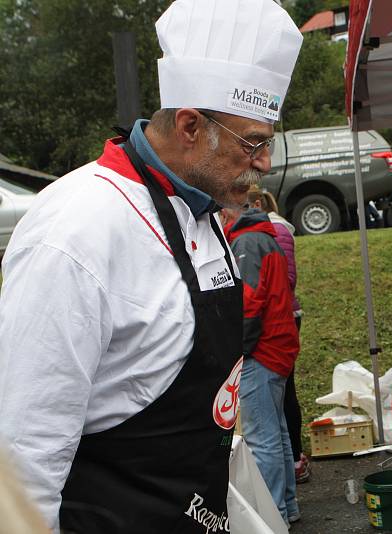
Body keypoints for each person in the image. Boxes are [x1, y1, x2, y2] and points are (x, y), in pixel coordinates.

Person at [0, 0, 303, 531]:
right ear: (189, 127)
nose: (264, 163)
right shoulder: (77, 229)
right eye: (252, 143)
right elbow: (22, 454)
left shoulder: (205, 219)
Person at [226, 190, 301, 524]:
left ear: (226, 215)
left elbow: (250, 301)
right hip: (278, 345)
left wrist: (238, 350)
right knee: (278, 433)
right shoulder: (264, 235)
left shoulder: (247, 242)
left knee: (262, 438)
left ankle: (274, 518)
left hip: (262, 351)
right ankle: (287, 508)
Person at [255, 190, 310, 483]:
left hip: (279, 320)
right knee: (283, 392)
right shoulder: (274, 230)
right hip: (281, 318)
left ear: (255, 205)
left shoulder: (274, 232)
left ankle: (293, 461)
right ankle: (292, 462)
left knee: (283, 393)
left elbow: (284, 281)